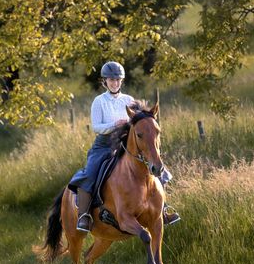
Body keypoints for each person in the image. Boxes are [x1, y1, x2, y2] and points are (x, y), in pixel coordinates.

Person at [69, 61, 180, 232]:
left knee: (159, 171)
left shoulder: (129, 100)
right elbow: (96, 127)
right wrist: (115, 124)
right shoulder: (98, 101)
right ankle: (85, 216)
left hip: (127, 144)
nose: (114, 83)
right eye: (111, 80)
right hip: (104, 145)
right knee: (90, 173)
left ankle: (163, 210)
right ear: (104, 81)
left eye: (118, 80)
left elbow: (139, 122)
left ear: (121, 81)